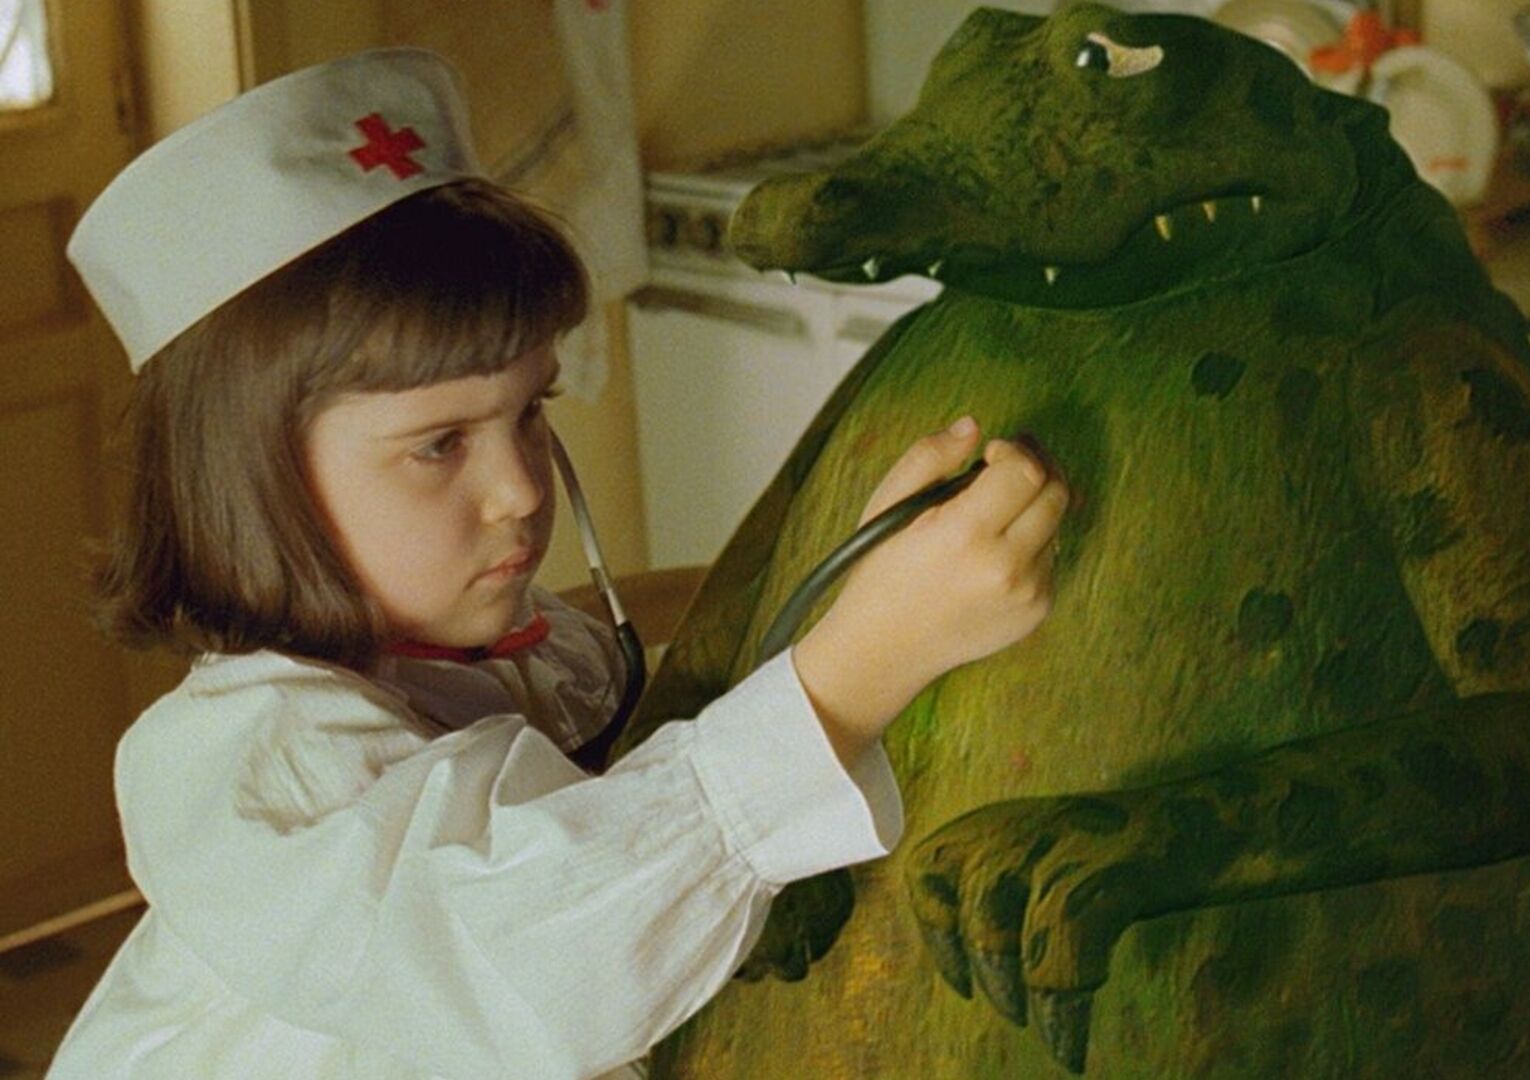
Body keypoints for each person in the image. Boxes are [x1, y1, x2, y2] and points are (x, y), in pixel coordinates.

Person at [49, 48, 1066, 1080]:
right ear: (252, 481)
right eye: (440, 443)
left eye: (530, 410)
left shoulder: (549, 657)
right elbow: (530, 967)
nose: (520, 490)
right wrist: (852, 674)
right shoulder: (242, 761)